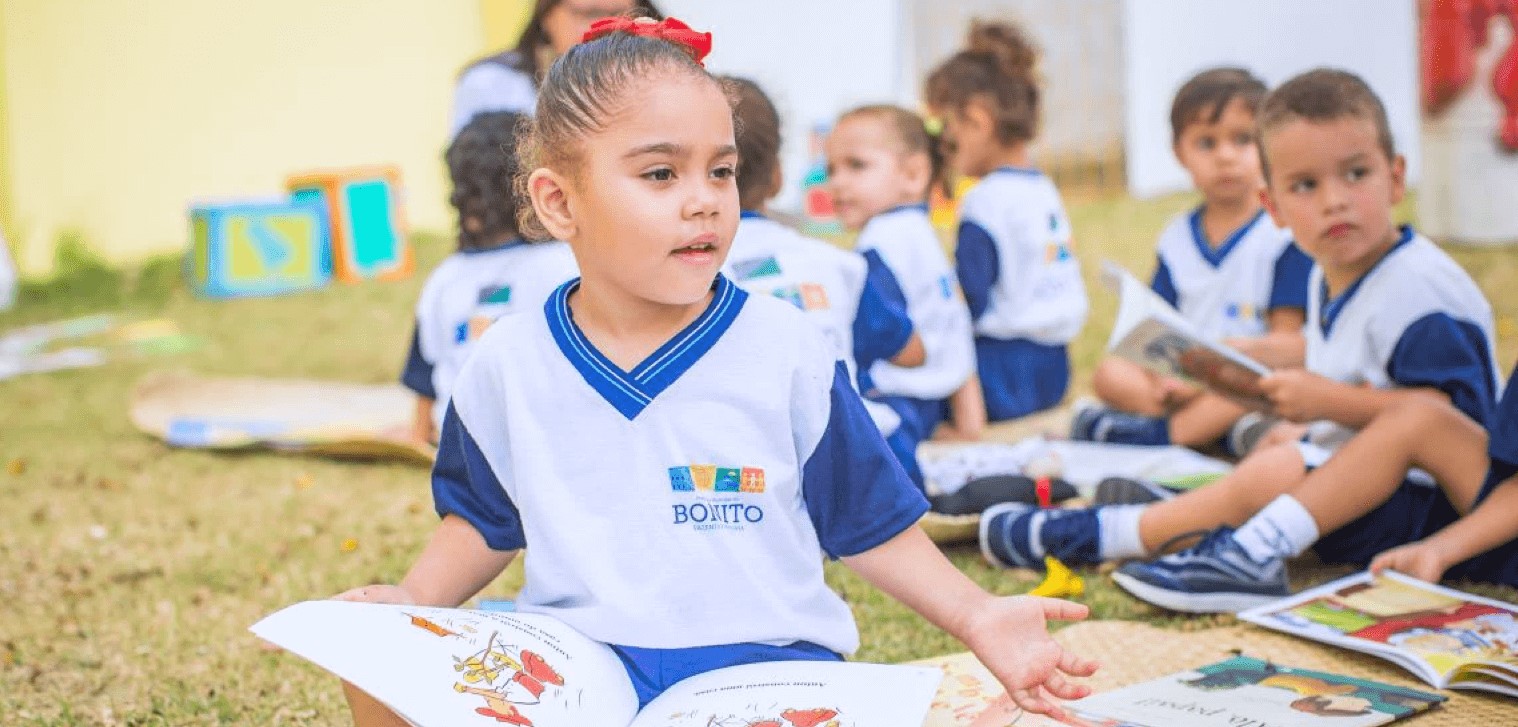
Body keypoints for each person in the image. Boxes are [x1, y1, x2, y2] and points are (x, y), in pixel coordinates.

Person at [339, 17, 1096, 724]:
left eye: (722, 171)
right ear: (559, 202)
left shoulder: (789, 350)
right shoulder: (505, 362)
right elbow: (482, 518)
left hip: (766, 671)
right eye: (662, 174)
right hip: (580, 672)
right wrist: (410, 599)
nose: (704, 201)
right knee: (377, 669)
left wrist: (977, 613)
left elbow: (867, 520)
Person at [978, 69, 1501, 613]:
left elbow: (1446, 424)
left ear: (1395, 179)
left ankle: (1133, 533)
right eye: (1306, 185)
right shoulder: (1329, 273)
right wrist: (1307, 415)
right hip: (1376, 487)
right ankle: (1157, 523)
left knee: (1284, 465)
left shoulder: (1419, 289)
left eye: (1356, 174)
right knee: (1281, 451)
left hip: (1458, 513)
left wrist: (1326, 408)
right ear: (1272, 206)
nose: (1335, 201)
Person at [1073, 67, 1313, 453]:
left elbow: (1287, 340)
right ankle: (1192, 430)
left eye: (1243, 140)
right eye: (1206, 143)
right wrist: (1162, 381)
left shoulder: (1281, 235)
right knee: (1110, 373)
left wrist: (1213, 375)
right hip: (1179, 373)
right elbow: (1155, 323)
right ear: (1179, 152)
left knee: (1256, 391)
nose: (1225, 156)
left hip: (1244, 379)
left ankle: (1162, 436)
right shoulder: (1176, 238)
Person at [722, 76, 932, 486]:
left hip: (748, 473)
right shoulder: (837, 264)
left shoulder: (680, 276)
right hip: (861, 468)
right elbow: (912, 352)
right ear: (779, 177)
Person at [924, 20, 1089, 424]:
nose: (942, 145)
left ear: (978, 122)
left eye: (947, 128)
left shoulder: (984, 200)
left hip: (1002, 371)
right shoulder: (1042, 188)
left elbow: (972, 300)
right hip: (1054, 368)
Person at [401, 111, 578, 443]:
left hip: (468, 444)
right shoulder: (565, 264)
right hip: (533, 438)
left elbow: (423, 379)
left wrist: (419, 440)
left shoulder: (445, 279)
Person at [824, 104, 982, 449]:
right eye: (830, 170)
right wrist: (971, 421)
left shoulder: (879, 242)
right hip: (938, 399)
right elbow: (954, 323)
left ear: (913, 174)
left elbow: (881, 334)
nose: (837, 183)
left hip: (893, 400)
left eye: (857, 166)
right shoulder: (923, 234)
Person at [449, 0, 661, 139]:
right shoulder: (492, 83)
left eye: (618, 13)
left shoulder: (662, 77)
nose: (605, 26)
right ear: (547, 16)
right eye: (588, 14)